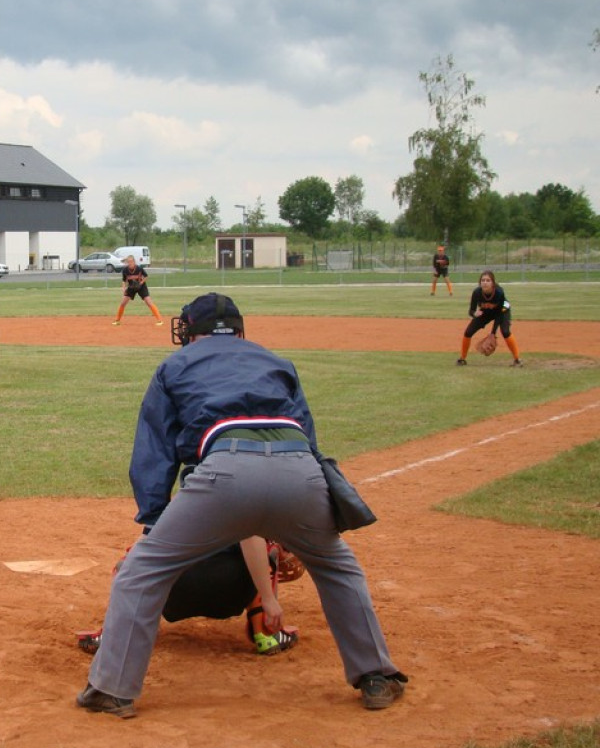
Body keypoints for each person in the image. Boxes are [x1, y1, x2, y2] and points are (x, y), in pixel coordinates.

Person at [76, 292, 407, 719]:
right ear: (240, 331)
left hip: (223, 473)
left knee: (141, 572)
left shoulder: (175, 365)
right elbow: (308, 438)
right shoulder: (276, 362)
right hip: (298, 470)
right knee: (339, 568)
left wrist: (157, 519)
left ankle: (112, 690)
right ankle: (376, 677)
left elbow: (154, 451)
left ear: (188, 332)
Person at [78, 535, 302, 656]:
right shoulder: (245, 498)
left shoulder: (181, 505)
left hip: (173, 596)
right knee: (263, 548)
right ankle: (266, 633)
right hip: (232, 591)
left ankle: (114, 634)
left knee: (133, 559)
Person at [456, 270, 522, 367]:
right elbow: (471, 311)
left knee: (505, 332)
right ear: (480, 282)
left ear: (493, 283)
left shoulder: (499, 292)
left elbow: (499, 314)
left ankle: (517, 360)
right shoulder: (477, 292)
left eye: (488, 280)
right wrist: (475, 314)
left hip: (503, 310)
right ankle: (462, 359)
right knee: (468, 332)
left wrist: (493, 333)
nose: (485, 282)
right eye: (483, 280)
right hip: (486, 311)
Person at [112, 255, 163, 326]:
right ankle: (117, 320)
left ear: (134, 262)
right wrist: (123, 289)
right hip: (131, 287)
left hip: (141, 287)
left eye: (131, 261)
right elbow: (124, 281)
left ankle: (159, 320)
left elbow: (146, 276)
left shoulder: (139, 268)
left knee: (148, 301)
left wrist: (141, 283)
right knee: (123, 303)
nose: (130, 263)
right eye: (128, 262)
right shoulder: (125, 270)